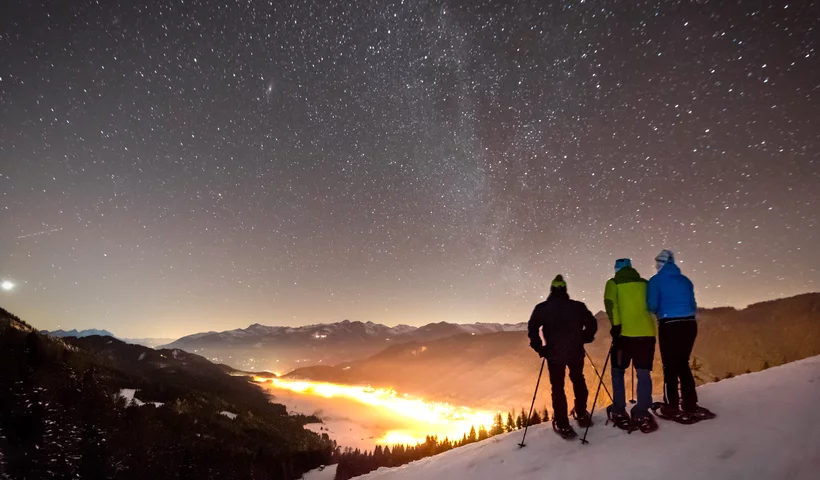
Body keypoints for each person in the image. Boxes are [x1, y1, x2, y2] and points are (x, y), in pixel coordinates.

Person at [527, 275, 598, 437]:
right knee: (578, 380)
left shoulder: (542, 308)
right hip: (575, 351)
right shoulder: (577, 307)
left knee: (557, 387)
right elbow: (592, 324)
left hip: (553, 353)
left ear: (551, 290)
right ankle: (581, 413)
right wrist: (585, 338)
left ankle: (562, 423)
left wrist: (540, 348)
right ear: (565, 289)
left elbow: (532, 329)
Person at [648, 249, 709, 421]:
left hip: (670, 325)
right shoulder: (685, 281)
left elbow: (652, 305)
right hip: (689, 324)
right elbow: (692, 304)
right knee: (683, 363)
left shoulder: (655, 281)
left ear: (659, 263)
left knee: (670, 366)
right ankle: (690, 403)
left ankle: (672, 405)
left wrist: (660, 311)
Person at [604, 258, 658, 433]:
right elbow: (653, 305)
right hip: (647, 334)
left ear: (617, 269)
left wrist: (616, 326)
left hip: (624, 336)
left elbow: (611, 305)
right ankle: (641, 412)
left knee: (618, 371)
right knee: (643, 373)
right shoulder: (645, 283)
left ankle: (619, 409)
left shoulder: (613, 283)